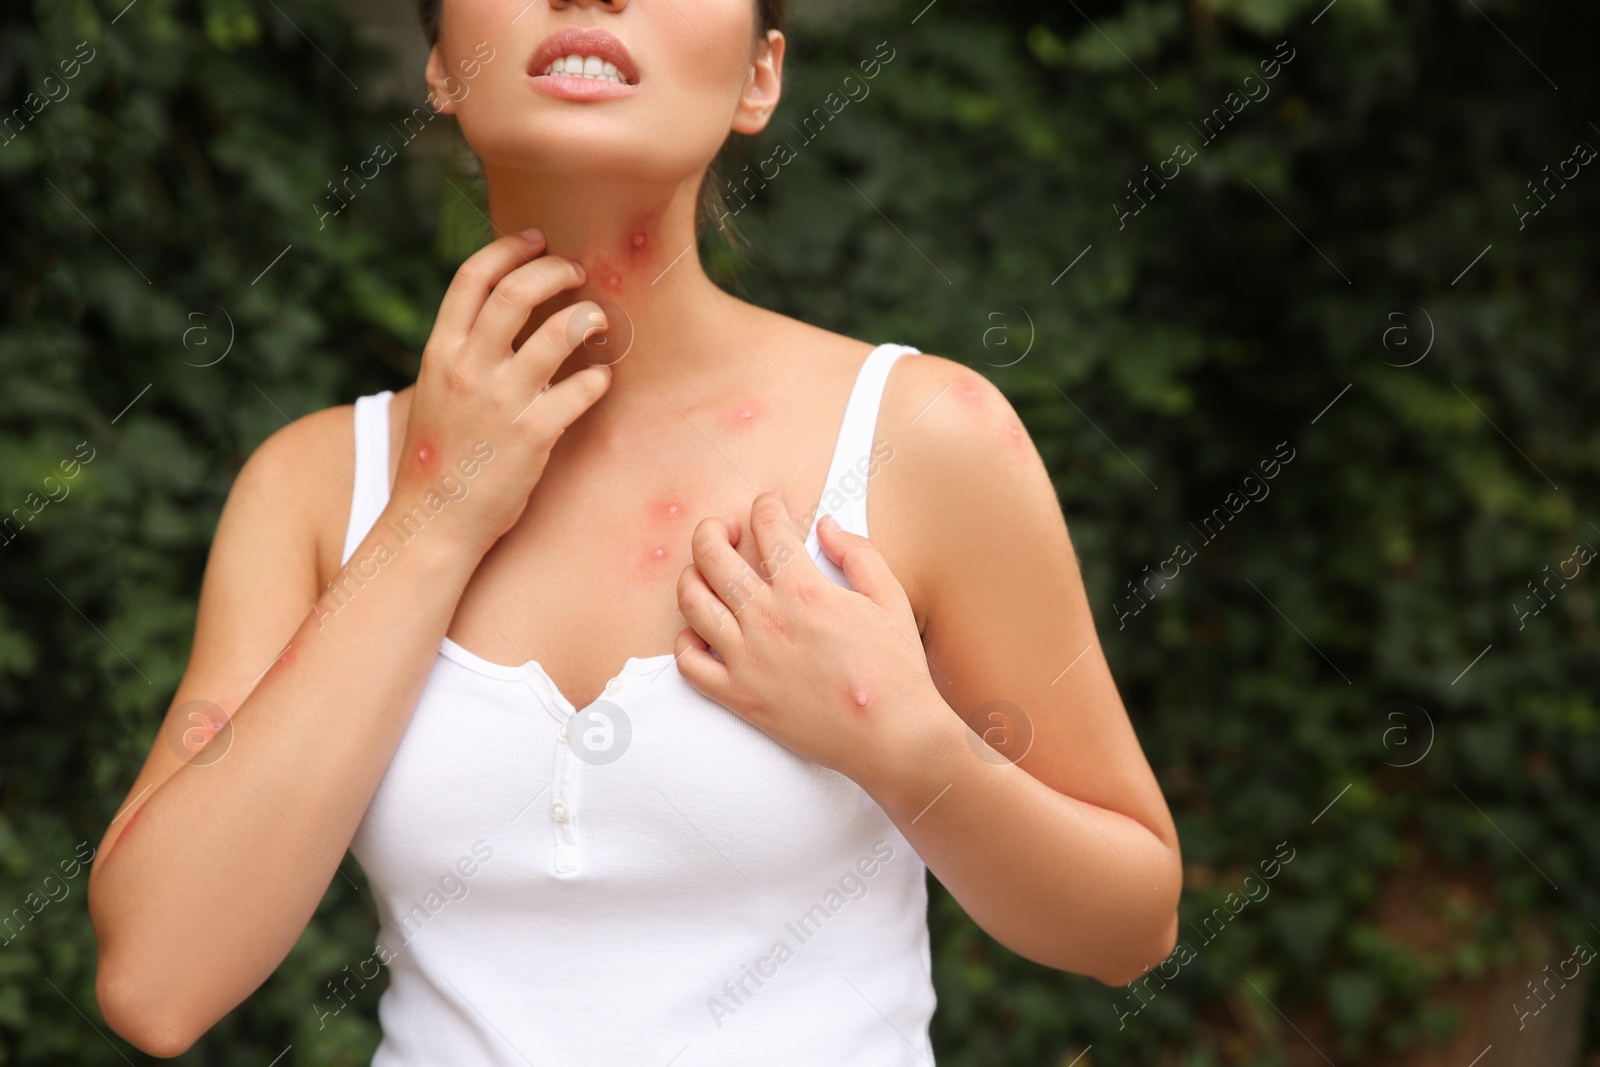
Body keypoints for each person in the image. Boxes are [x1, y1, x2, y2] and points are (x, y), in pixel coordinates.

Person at [87, 0, 1182, 1061]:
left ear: (762, 74)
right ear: (436, 62)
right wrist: (433, 518)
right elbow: (157, 981)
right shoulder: (315, 486)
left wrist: (907, 749)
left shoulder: (924, 437)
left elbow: (1130, 923)